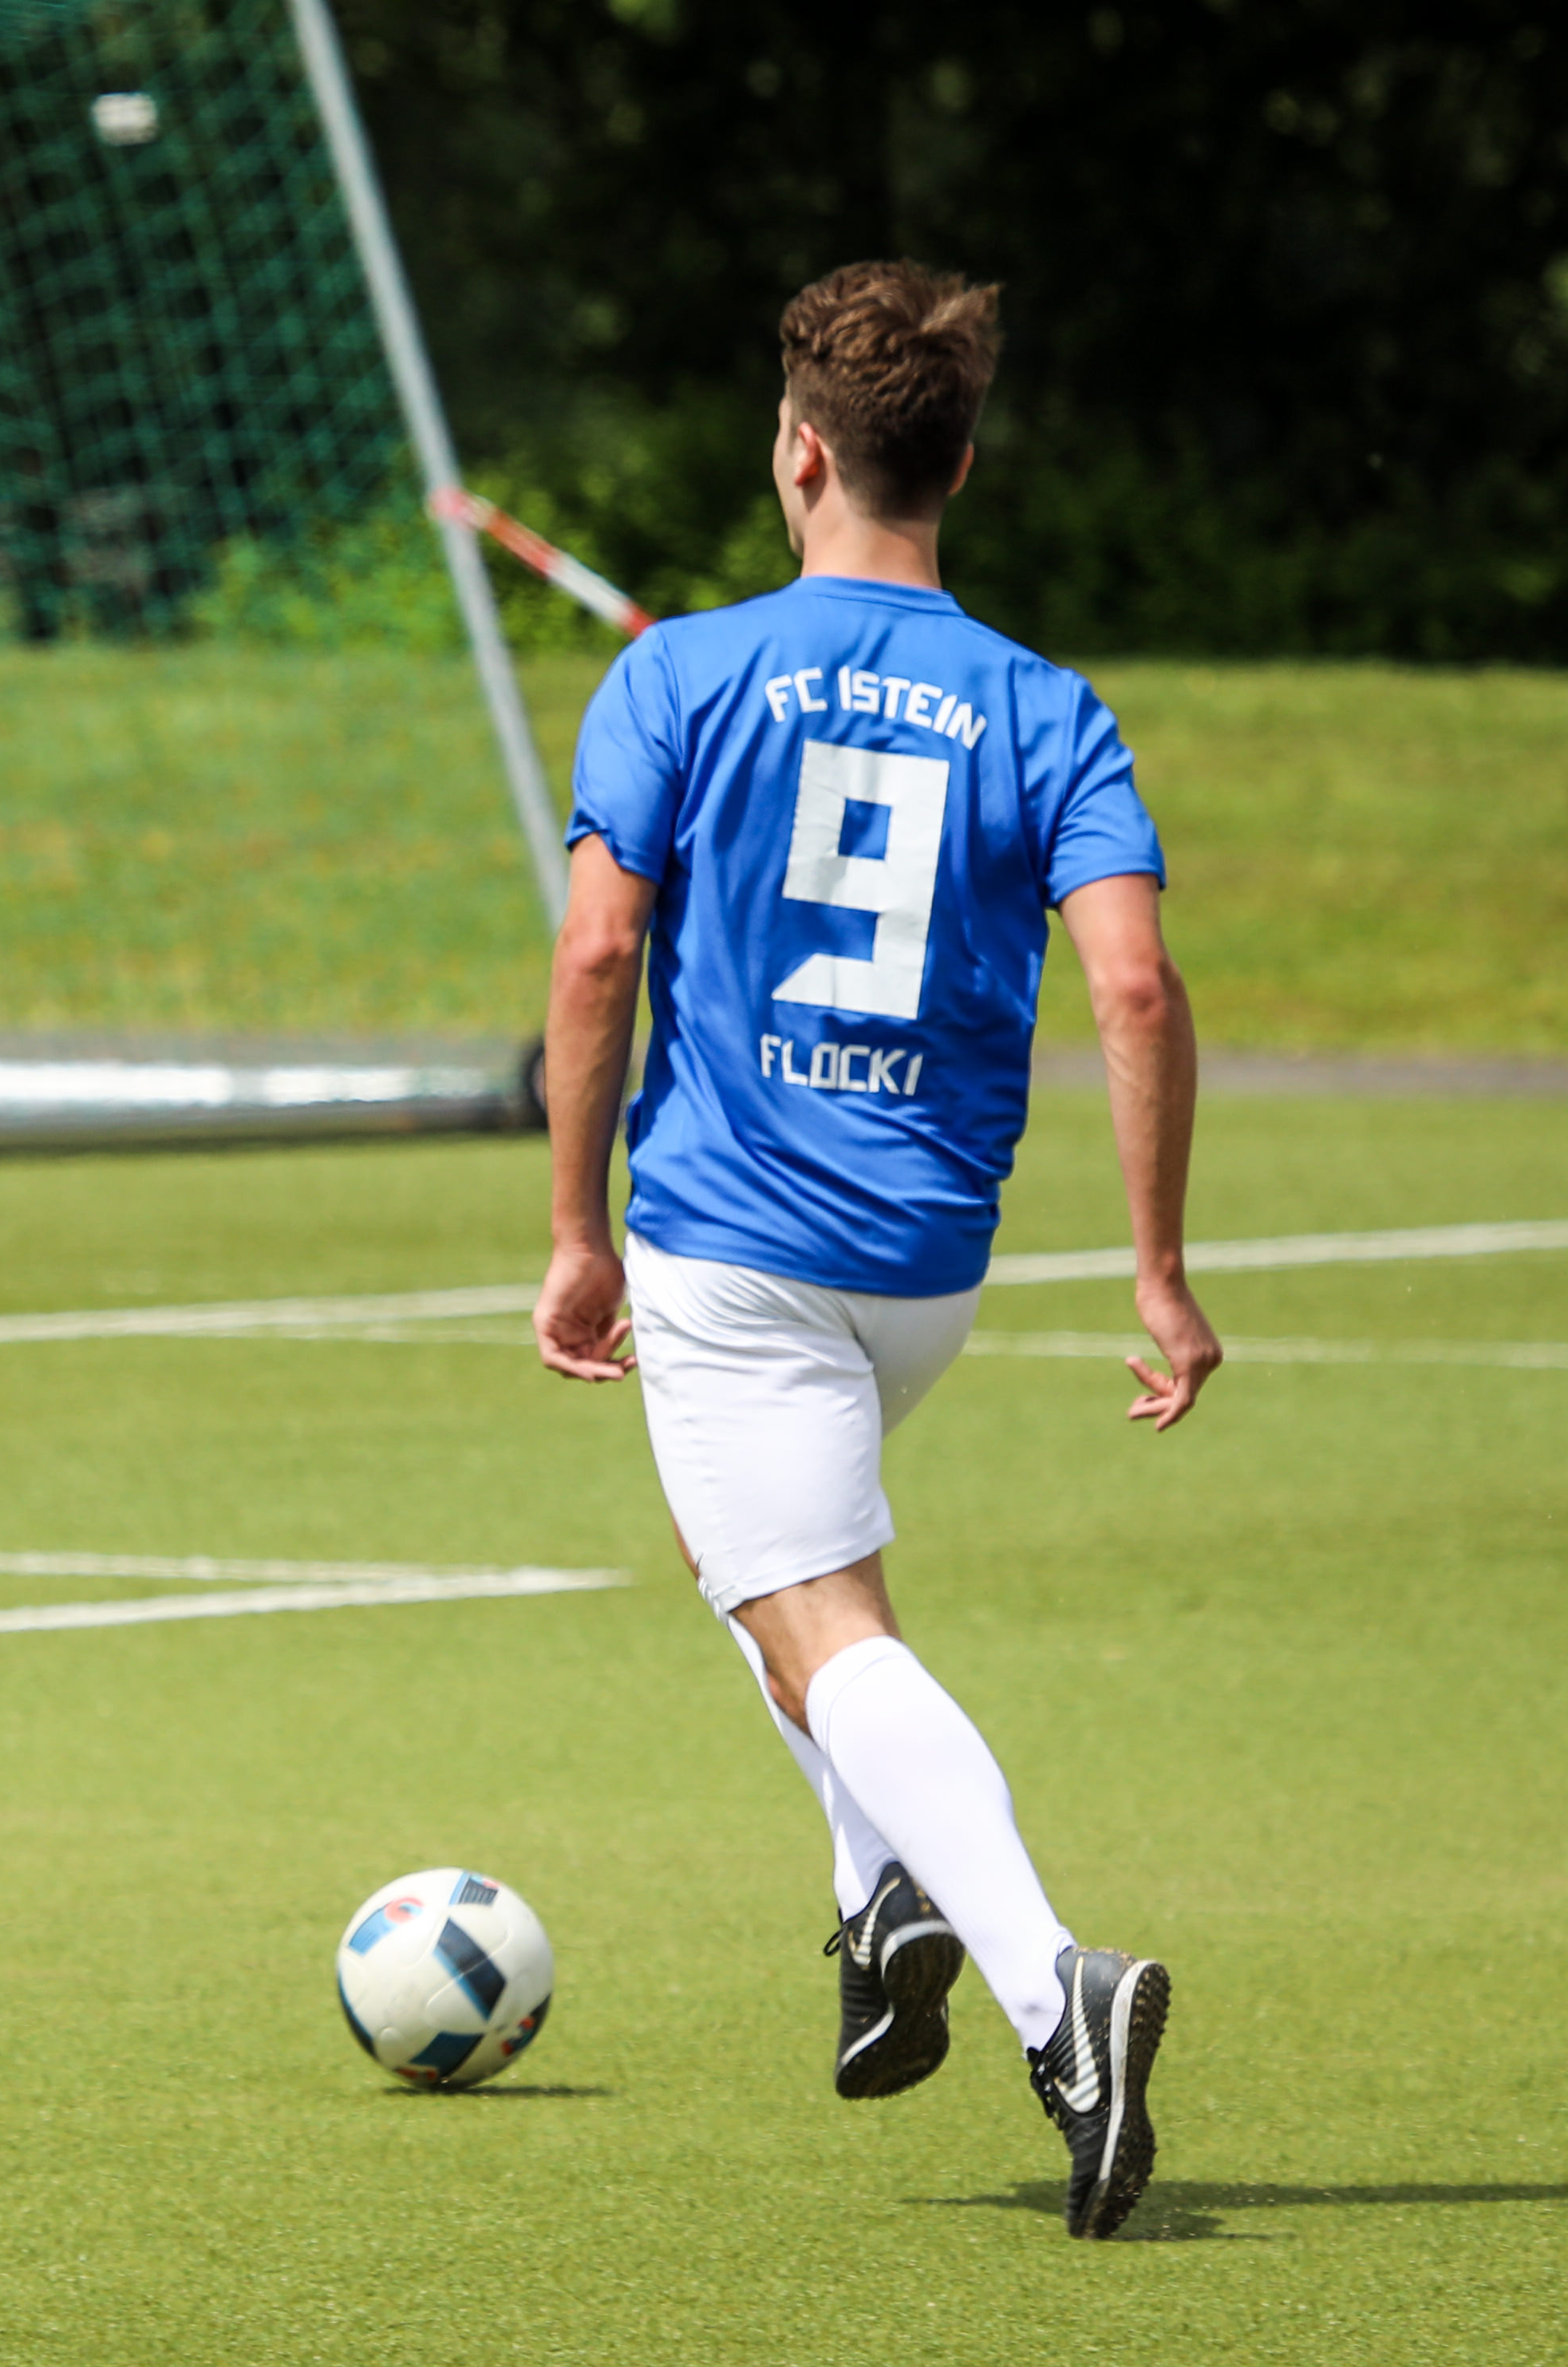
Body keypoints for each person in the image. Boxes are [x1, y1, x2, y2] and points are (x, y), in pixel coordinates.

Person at [531, 263, 1218, 2240]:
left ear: (796, 453)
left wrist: (571, 1228)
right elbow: (1134, 988)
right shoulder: (1044, 706)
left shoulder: (678, 672)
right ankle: (874, 1896)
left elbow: (594, 954)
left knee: (815, 1619)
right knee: (760, 1570)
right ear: (961, 465)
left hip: (726, 1240)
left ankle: (1051, 1993)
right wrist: (1156, 1269)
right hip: (922, 1267)